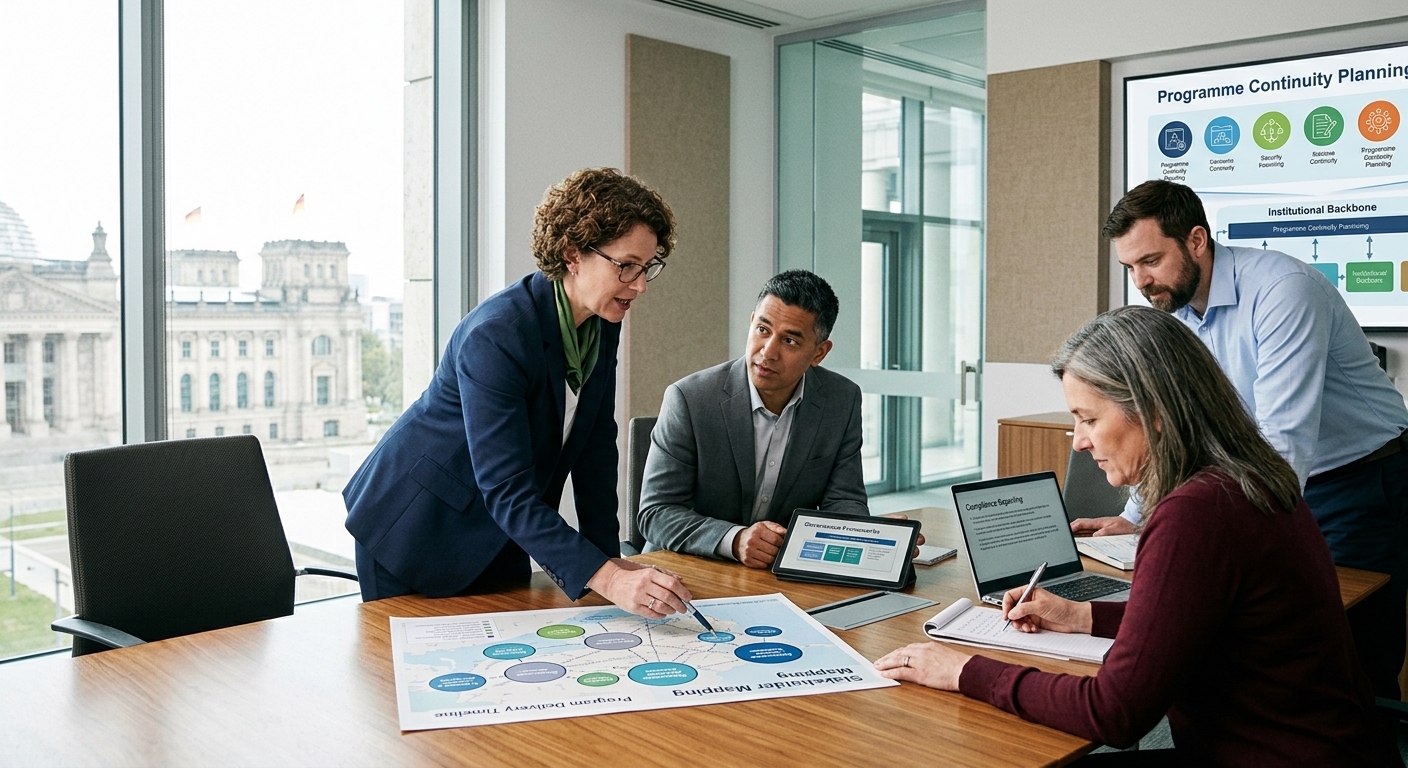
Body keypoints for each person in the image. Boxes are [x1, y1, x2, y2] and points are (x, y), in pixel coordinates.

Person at [878, 306, 1396, 767]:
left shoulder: (1195, 513)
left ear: (1154, 410)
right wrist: (1083, 614)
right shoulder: (1248, 479)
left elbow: (1115, 713)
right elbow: (1199, 618)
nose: (1079, 443)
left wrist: (964, 669)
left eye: (1088, 419)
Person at [1071, 180, 1408, 702]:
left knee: (1350, 657)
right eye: (1130, 268)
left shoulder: (1281, 289)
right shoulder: (1174, 312)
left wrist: (1220, 535)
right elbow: (1175, 427)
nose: (1141, 281)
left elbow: (1282, 443)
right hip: (1270, 484)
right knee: (1266, 649)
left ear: (1198, 240)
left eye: (1151, 261)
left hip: (1358, 483)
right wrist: (1135, 516)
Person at [344, 167, 693, 619]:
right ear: (573, 254)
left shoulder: (600, 324)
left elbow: (594, 451)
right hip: (415, 528)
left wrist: (610, 561)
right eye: (626, 266)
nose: (640, 285)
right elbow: (506, 489)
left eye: (648, 268)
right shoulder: (498, 335)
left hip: (499, 533)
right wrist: (606, 578)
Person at [636, 270, 869, 568]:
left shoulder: (841, 400)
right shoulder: (690, 399)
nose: (768, 352)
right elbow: (657, 512)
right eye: (762, 330)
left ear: (819, 353)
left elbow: (844, 501)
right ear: (751, 323)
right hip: (686, 569)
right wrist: (735, 539)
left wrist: (874, 539)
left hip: (774, 573)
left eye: (790, 341)